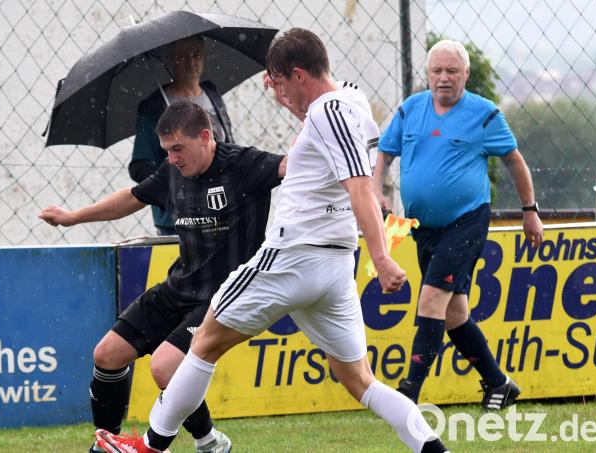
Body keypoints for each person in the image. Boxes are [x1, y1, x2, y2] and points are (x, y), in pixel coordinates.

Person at [96, 28, 449, 453]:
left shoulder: (326, 112)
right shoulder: (351, 103)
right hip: (335, 265)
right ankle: (432, 447)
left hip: (294, 255)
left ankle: (152, 447)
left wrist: (383, 256)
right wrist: (291, 103)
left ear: (298, 74)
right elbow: (322, 139)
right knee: (360, 381)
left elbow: (359, 187)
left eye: (280, 83)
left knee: (204, 341)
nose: (278, 91)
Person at [40, 101, 285, 453]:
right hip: (180, 287)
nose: (171, 158)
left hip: (224, 295)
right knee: (107, 355)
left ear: (205, 137)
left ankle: (209, 442)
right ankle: (108, 443)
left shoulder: (243, 164)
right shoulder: (173, 172)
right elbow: (131, 198)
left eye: (177, 149)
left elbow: (296, 166)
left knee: (165, 367)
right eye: (166, 150)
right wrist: (72, 217)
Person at [373, 39, 544, 409]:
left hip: (466, 221)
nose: (443, 79)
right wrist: (376, 192)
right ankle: (499, 384)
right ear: (428, 74)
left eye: (452, 71)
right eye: (437, 71)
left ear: (466, 74)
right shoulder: (410, 110)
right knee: (454, 315)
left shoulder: (484, 115)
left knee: (432, 301)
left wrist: (529, 210)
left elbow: (515, 161)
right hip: (422, 226)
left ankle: (408, 394)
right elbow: (384, 153)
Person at [129, 35, 236, 235]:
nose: (191, 61)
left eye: (196, 54)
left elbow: (228, 147)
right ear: (169, 61)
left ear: (203, 58)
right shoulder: (154, 107)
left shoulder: (213, 97)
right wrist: (173, 187)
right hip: (178, 221)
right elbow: (140, 166)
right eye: (182, 56)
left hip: (220, 212)